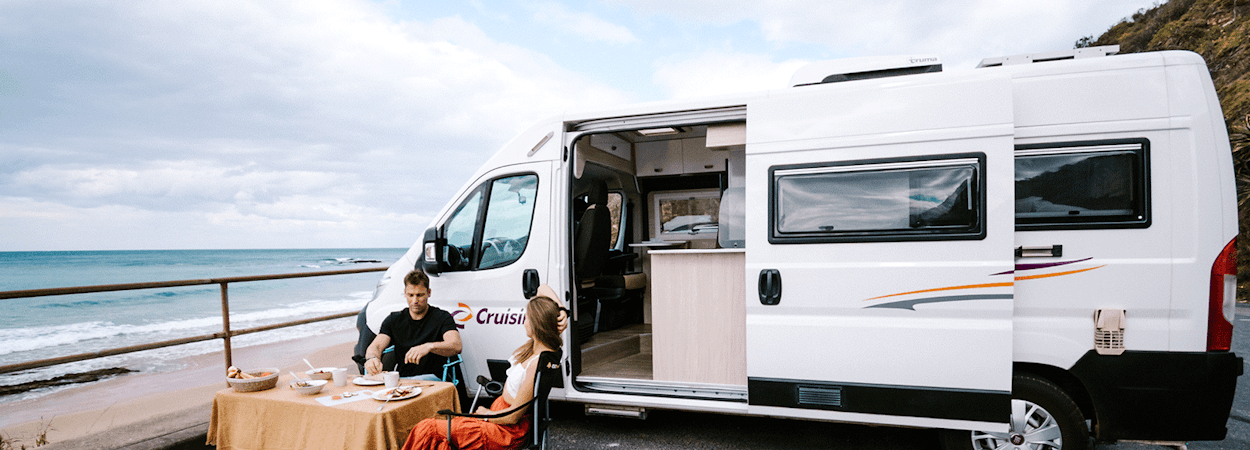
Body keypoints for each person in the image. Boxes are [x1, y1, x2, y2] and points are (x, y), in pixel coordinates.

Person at [402, 285, 566, 450]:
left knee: (428, 428)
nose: (524, 323)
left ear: (538, 323)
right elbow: (542, 288)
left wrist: (486, 414)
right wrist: (562, 310)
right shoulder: (543, 351)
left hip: (504, 430)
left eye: (527, 318)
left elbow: (513, 417)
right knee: (438, 437)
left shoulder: (537, 363)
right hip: (499, 419)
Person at [362, 269, 462, 381]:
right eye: (411, 295)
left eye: (420, 295)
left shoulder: (442, 317)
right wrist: (372, 358)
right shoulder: (394, 319)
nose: (415, 300)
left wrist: (428, 347)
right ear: (405, 293)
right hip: (403, 380)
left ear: (429, 293)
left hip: (433, 379)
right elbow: (377, 345)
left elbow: (456, 345)